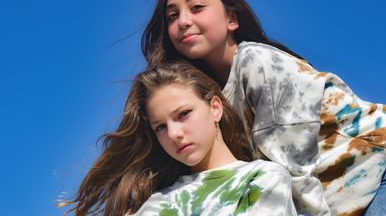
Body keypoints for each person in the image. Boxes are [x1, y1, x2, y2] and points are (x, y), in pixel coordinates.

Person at [141, 0, 386, 216]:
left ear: (232, 19)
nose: (183, 21)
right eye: (172, 16)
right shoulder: (204, 96)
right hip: (348, 193)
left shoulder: (258, 63)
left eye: (196, 7)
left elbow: (294, 174)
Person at [60, 62, 297, 216]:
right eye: (160, 127)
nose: (174, 134)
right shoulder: (154, 204)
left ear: (215, 108)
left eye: (183, 114)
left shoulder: (262, 177)